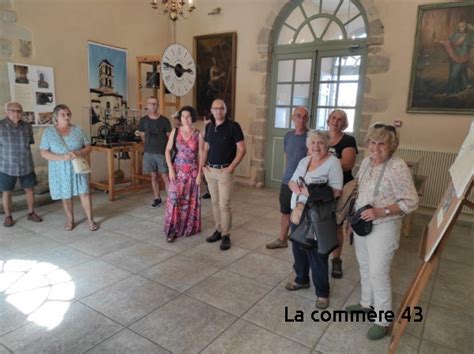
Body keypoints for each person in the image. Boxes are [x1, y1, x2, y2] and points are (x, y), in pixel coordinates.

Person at [345, 123, 418, 340]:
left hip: (384, 225)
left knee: (379, 272)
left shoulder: (398, 166)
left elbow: (411, 201)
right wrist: (353, 219)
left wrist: (381, 211)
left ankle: (383, 319)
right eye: (372, 142)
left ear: (392, 145)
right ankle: (367, 303)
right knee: (365, 266)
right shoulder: (367, 162)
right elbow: (360, 191)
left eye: (382, 143)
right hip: (362, 222)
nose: (376, 148)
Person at [285, 130, 343, 310]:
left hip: (317, 216)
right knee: (297, 247)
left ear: (327, 145)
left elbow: (336, 191)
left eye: (320, 143)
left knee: (317, 254)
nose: (316, 146)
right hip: (298, 212)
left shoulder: (333, 162)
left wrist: (308, 192)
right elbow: (292, 181)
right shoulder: (304, 160)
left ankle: (322, 293)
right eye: (313, 143)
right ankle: (301, 279)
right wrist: (293, 185)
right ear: (308, 145)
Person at [39, 104, 98, 231]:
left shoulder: (78, 129)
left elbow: (88, 146)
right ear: (56, 117)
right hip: (60, 169)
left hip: (78, 167)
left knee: (85, 193)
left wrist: (79, 153)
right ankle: (70, 221)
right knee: (66, 196)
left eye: (68, 114)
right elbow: (43, 152)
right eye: (63, 115)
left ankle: (90, 220)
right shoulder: (49, 132)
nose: (67, 117)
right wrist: (62, 158)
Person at [201, 99, 246, 251]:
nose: (218, 111)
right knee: (214, 203)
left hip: (225, 171)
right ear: (211, 111)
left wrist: (232, 167)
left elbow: (242, 149)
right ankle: (218, 230)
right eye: (215, 109)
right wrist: (202, 166)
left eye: (221, 108)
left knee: (224, 204)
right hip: (210, 171)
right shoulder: (208, 127)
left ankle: (226, 235)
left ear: (225, 110)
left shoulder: (233, 126)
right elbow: (206, 148)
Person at [266, 106, 309, 249]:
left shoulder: (311, 138)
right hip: (287, 181)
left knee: (300, 213)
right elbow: (288, 157)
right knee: (285, 212)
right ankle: (282, 239)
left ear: (308, 119)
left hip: (302, 183)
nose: (301, 119)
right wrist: (287, 175)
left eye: (304, 117)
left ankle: (299, 241)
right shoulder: (288, 136)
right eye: (298, 116)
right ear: (292, 118)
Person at [164, 106, 204, 242]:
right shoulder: (175, 131)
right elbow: (167, 150)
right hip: (177, 171)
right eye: (182, 116)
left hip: (192, 172)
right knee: (174, 199)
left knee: (190, 201)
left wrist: (200, 174)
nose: (185, 119)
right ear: (180, 118)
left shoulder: (198, 134)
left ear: (192, 117)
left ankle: (188, 227)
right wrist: (170, 168)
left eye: (188, 116)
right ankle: (172, 230)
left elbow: (201, 155)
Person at [0, 101, 43, 227]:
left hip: (26, 165)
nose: (17, 113)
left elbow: (28, 144)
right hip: (6, 166)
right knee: (7, 192)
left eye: (19, 111)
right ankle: (8, 216)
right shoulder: (1, 125)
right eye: (13, 110)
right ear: (7, 111)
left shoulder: (27, 126)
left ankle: (31, 213)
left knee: (29, 190)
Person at [327, 109, 358, 278]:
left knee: (337, 225)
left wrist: (324, 158)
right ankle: (322, 253)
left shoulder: (348, 140)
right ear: (328, 119)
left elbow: (347, 164)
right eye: (333, 117)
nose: (335, 121)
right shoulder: (322, 137)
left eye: (340, 119)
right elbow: (311, 158)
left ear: (344, 123)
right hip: (323, 189)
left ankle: (336, 260)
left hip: (342, 188)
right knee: (321, 222)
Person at [138, 96, 171, 208]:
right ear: (147, 105)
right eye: (150, 103)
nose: (152, 105)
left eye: (155, 103)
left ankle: (172, 199)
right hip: (148, 152)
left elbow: (169, 137)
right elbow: (142, 136)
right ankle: (157, 198)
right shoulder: (143, 120)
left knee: (165, 176)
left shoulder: (165, 120)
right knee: (153, 176)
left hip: (161, 153)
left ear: (158, 105)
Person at [438, 21, 473, 95]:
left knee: (454, 73)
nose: (461, 28)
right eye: (460, 26)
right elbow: (449, 42)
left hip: (462, 57)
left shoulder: (468, 36)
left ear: (466, 27)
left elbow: (471, 44)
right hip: (453, 55)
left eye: (463, 26)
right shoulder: (454, 34)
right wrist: (442, 42)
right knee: (456, 72)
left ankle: (449, 91)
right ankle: (465, 85)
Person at [201, 113, 215, 200]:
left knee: (211, 174)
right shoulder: (206, 128)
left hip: (211, 154)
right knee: (205, 175)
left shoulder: (213, 128)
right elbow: (202, 138)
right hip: (204, 153)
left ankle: (213, 192)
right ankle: (208, 191)